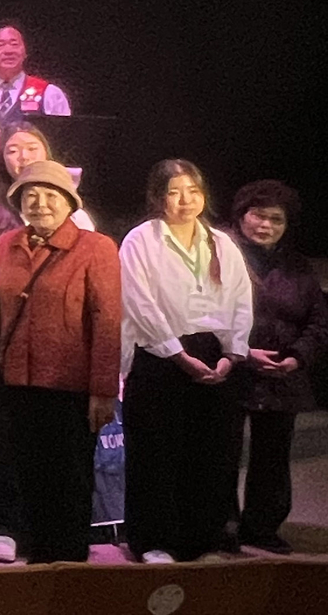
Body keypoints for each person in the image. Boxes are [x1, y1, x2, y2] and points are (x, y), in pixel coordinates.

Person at [0, 159, 120, 564]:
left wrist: (103, 390)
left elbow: (107, 320)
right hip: (16, 386)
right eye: (30, 195)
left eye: (50, 195)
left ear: (69, 202)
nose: (40, 203)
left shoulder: (97, 247)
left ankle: (69, 569)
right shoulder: (5, 245)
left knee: (69, 483)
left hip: (70, 390)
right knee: (28, 480)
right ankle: (39, 570)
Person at [118, 160, 253, 564]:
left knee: (209, 452)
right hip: (161, 358)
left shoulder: (221, 242)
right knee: (157, 453)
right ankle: (153, 540)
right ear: (158, 197)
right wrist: (177, 354)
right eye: (175, 192)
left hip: (215, 356)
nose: (185, 200)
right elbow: (138, 303)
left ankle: (202, 538)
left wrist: (234, 353)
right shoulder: (140, 240)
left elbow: (241, 300)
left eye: (193, 190)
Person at [229, 180, 327, 554]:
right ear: (241, 216)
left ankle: (263, 527)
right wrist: (244, 351)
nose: (265, 225)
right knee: (222, 453)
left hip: (283, 376)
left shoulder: (296, 264)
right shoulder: (222, 252)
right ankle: (223, 524)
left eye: (276, 219)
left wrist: (298, 356)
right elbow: (208, 313)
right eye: (257, 215)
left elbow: (319, 321)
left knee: (272, 458)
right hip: (233, 368)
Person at [0, 122, 95, 237]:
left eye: (32, 148)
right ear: (2, 160)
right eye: (13, 151)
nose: (24, 157)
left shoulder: (74, 214)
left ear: (46, 153)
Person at [0, 19, 71, 125]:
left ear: (25, 52)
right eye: (0, 45)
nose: (9, 51)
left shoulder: (49, 93)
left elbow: (62, 136)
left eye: (14, 44)